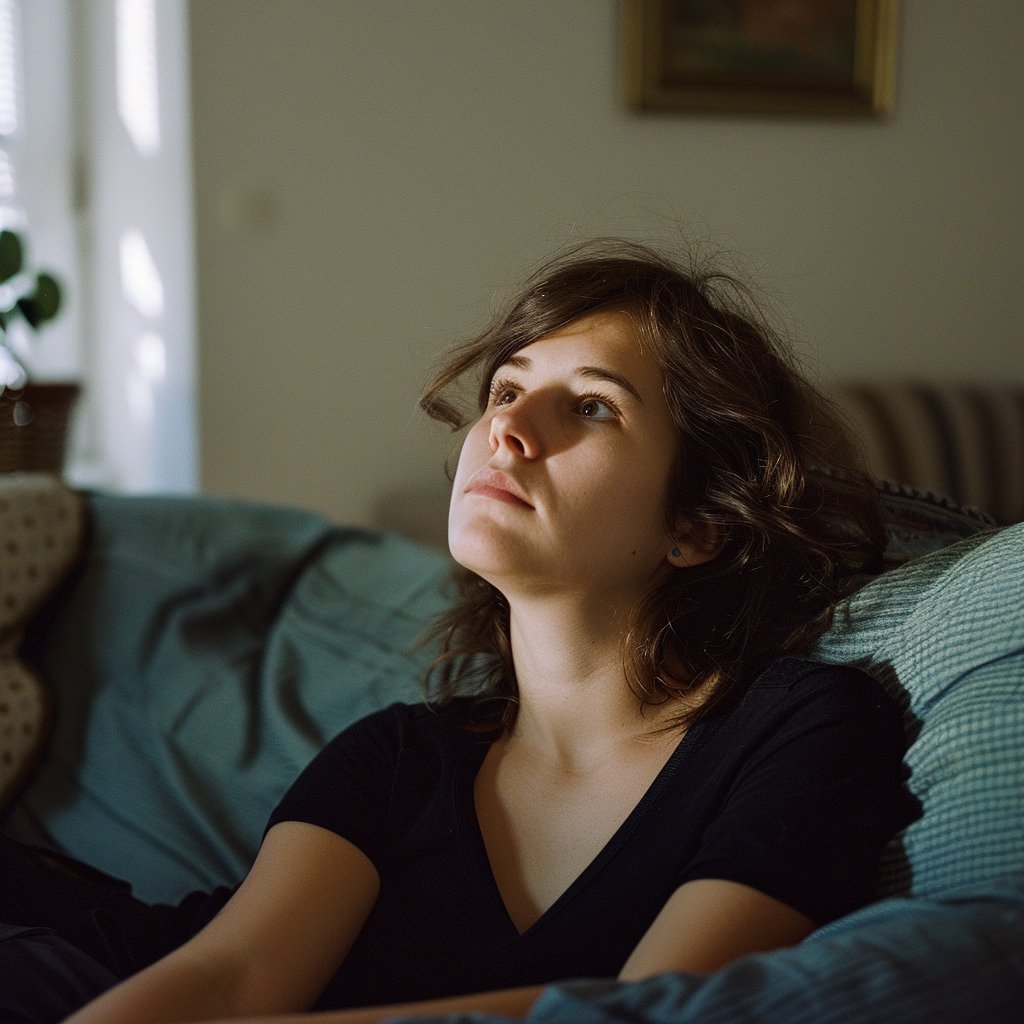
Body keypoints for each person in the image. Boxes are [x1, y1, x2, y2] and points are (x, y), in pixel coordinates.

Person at [2, 239, 912, 1023]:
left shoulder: (801, 730)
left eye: (591, 405)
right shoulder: (397, 759)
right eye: (507, 388)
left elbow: (653, 1007)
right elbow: (230, 976)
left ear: (700, 524)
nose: (508, 425)